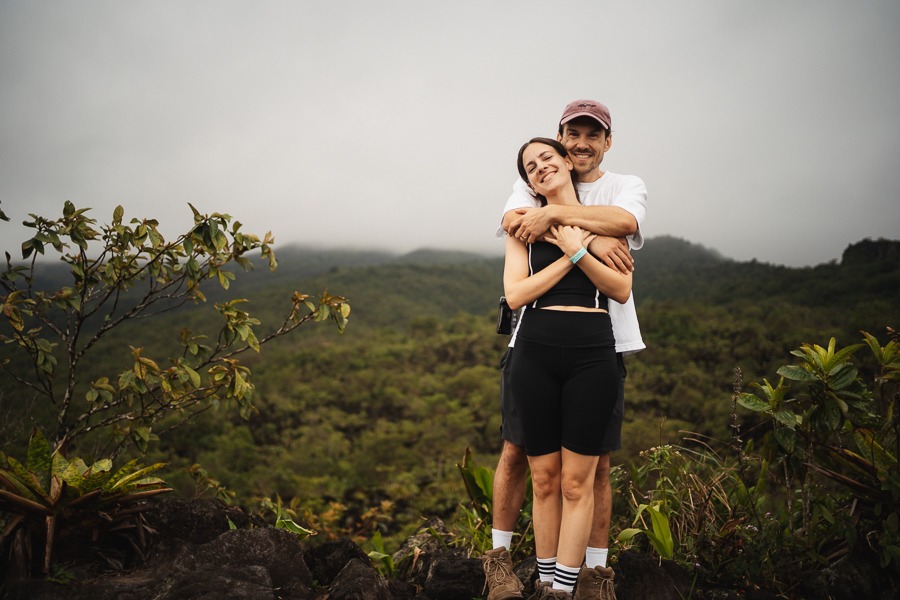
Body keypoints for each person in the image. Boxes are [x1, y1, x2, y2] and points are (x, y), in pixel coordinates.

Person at [482, 100, 646, 600]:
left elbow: (622, 228)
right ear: (560, 137)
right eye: (572, 134)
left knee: (592, 469)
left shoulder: (624, 186)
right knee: (525, 459)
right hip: (532, 342)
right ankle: (505, 563)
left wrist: (562, 223)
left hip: (602, 342)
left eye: (591, 134)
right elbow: (515, 221)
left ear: (606, 142)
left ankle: (587, 578)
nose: (579, 143)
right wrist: (582, 241)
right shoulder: (531, 185)